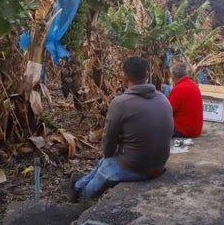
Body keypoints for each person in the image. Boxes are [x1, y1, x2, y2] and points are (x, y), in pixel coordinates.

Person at [70, 56, 174, 200]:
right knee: (104, 163)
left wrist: (109, 157)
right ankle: (78, 185)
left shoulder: (120, 104)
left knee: (105, 167)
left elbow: (108, 142)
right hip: (159, 164)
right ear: (147, 75)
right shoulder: (163, 99)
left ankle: (81, 197)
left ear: (124, 77)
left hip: (138, 168)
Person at [168, 62, 204, 138]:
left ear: (174, 75)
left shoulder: (179, 89)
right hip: (196, 129)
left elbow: (167, 111)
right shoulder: (193, 84)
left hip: (184, 130)